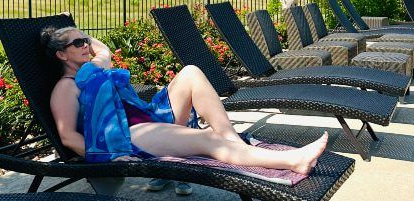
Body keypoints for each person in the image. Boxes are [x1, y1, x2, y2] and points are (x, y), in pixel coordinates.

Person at [41, 26, 328, 194]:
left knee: (190, 72)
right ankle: (292, 161)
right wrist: (113, 157)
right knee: (206, 141)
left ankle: (230, 138)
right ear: (61, 54)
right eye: (77, 43)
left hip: (150, 119)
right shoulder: (66, 88)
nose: (85, 46)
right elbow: (67, 137)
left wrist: (91, 43)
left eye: (85, 41)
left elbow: (103, 52)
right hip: (129, 137)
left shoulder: (91, 71)